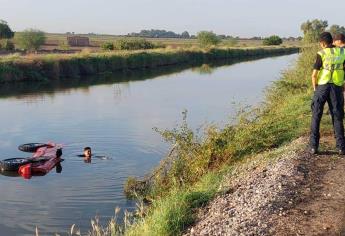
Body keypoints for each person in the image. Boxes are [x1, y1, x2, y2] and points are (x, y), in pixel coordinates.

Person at [310, 32, 345, 154]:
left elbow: (314, 75)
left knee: (316, 115)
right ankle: (341, 147)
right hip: (337, 87)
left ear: (323, 43)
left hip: (322, 87)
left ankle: (314, 147)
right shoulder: (342, 52)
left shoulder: (321, 53)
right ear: (332, 41)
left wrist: (315, 90)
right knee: (337, 116)